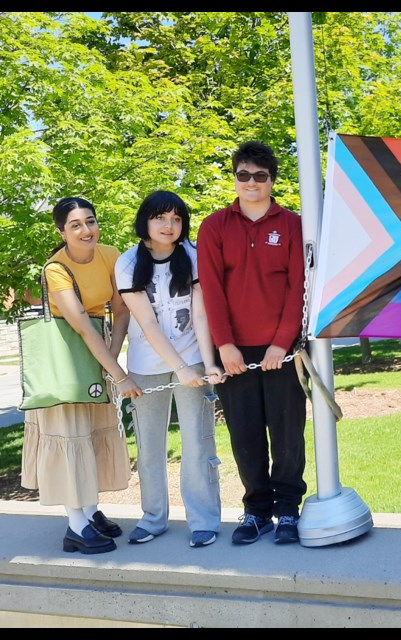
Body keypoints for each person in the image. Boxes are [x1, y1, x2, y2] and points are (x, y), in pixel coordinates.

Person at [197, 140, 307, 546]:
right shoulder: (214, 226)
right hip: (234, 353)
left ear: (272, 180)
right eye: (243, 175)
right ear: (235, 178)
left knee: (287, 434)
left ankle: (287, 511)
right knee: (244, 436)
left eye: (260, 176)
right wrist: (224, 346)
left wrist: (282, 343)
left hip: (284, 351)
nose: (251, 183)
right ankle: (256, 512)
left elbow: (299, 288)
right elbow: (211, 290)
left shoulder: (293, 225)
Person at [20, 197, 142, 554]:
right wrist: (119, 374)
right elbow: (82, 329)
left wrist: (112, 356)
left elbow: (121, 310)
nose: (86, 230)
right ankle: (75, 527)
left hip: (98, 352)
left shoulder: (110, 254)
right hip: (67, 357)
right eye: (75, 225)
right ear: (61, 231)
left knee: (91, 434)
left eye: (90, 221)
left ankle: (89, 512)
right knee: (69, 436)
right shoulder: (55, 268)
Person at [115, 190, 225, 548]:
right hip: (147, 367)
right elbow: (146, 323)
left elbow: (200, 313)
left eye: (177, 219)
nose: (169, 225)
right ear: (145, 221)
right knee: (150, 446)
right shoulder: (129, 263)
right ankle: (153, 518)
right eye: (161, 217)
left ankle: (203, 520)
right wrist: (179, 369)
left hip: (192, 359)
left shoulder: (192, 255)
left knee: (197, 441)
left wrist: (207, 363)